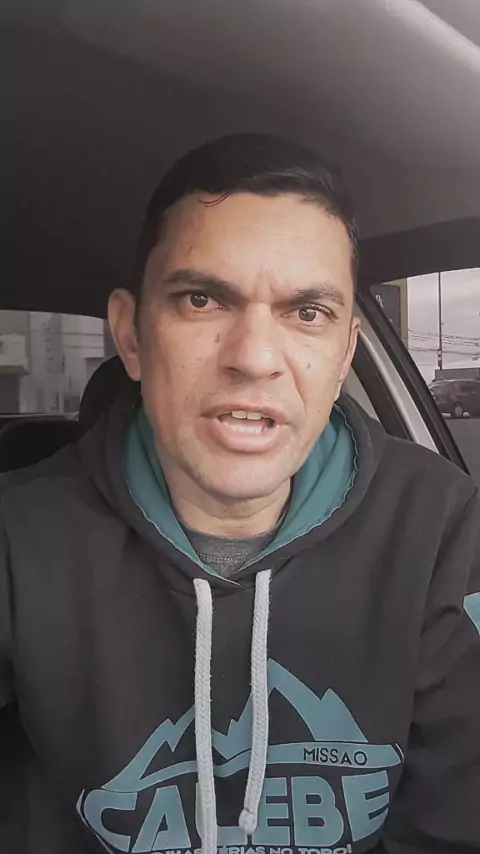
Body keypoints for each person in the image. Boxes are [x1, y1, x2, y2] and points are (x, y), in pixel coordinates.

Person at [1, 134, 479, 854]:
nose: (254, 358)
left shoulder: (439, 525)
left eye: (307, 312)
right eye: (202, 299)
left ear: (345, 354)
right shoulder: (17, 536)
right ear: (131, 337)